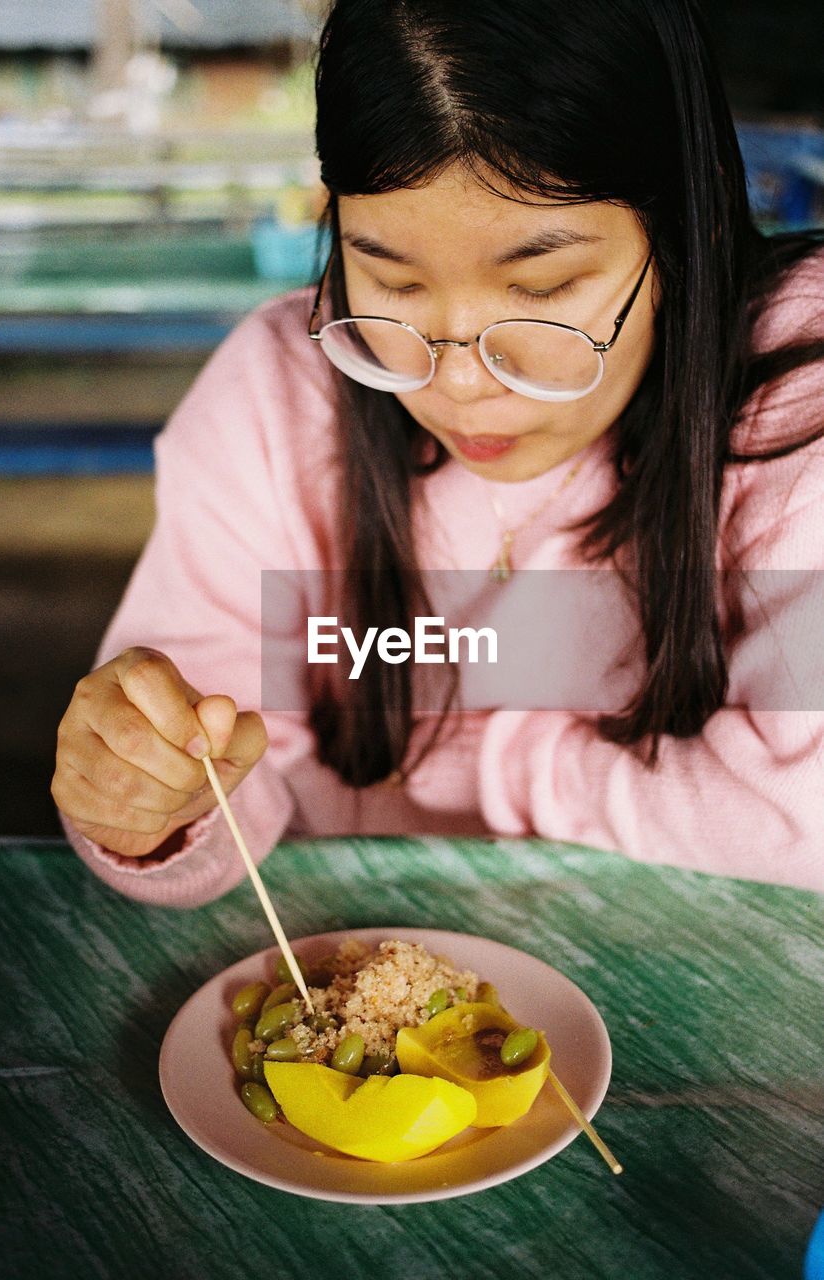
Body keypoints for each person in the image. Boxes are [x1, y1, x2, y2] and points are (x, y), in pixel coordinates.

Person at [52, 0, 824, 902]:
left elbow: (803, 816)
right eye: (391, 282)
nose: (457, 385)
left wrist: (503, 768)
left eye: (541, 290)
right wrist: (152, 801)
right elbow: (224, 787)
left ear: (693, 232)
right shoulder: (275, 400)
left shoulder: (796, 388)